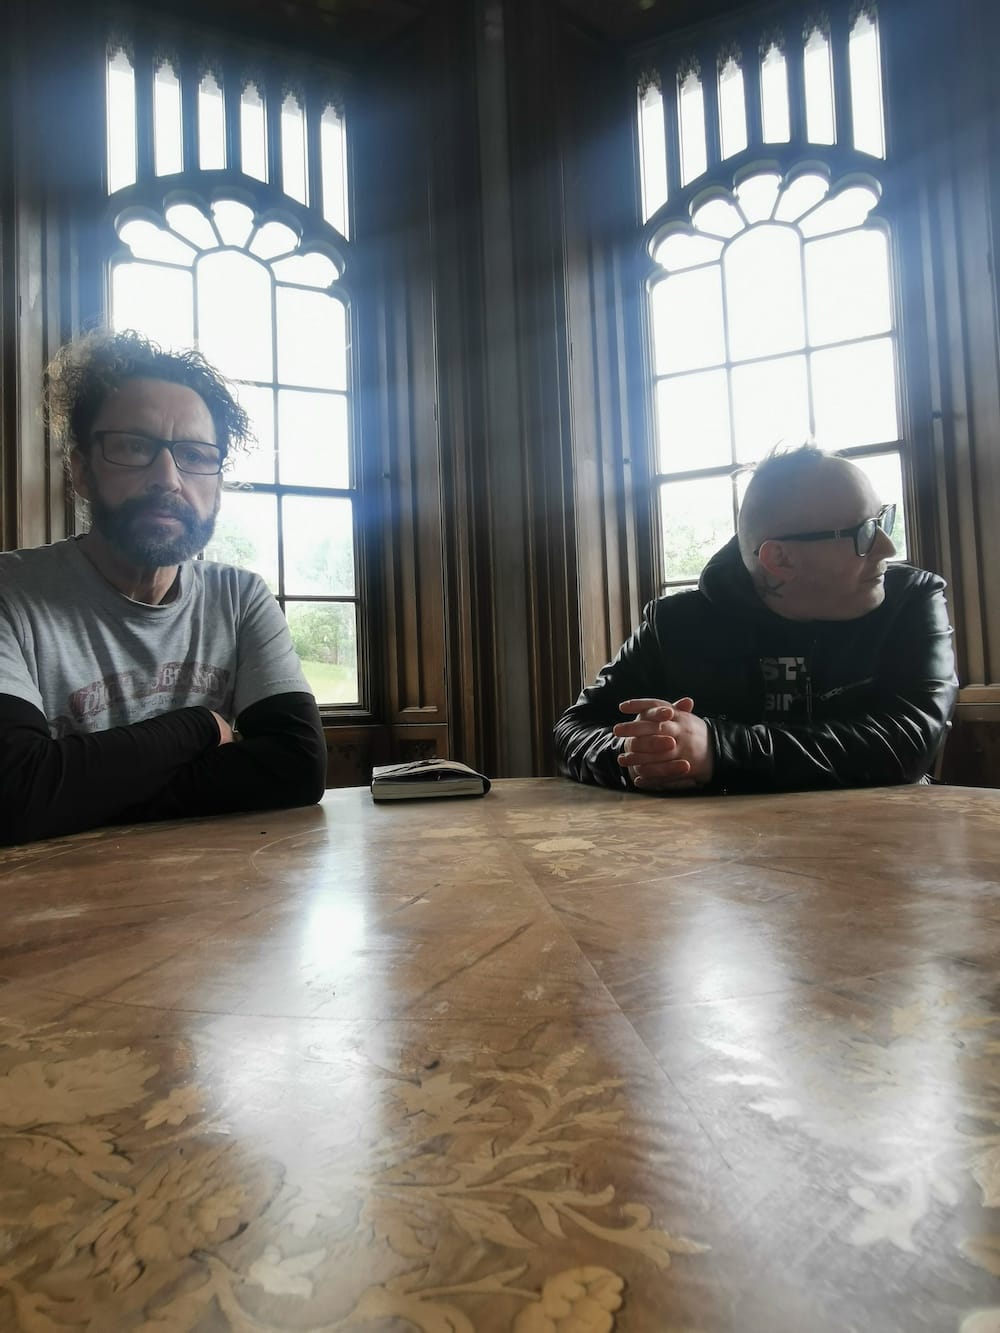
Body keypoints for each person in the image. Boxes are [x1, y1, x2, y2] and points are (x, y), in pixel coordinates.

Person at [0, 330, 327, 846]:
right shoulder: (10, 592)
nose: (169, 479)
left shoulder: (240, 600)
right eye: (134, 447)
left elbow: (297, 766)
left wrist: (75, 798)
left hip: (216, 901)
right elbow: (14, 794)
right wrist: (199, 726)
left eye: (196, 455)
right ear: (81, 470)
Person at [555, 445, 958, 794]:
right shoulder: (675, 624)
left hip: (886, 850)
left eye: (883, 520)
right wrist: (639, 755)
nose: (888, 546)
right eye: (865, 532)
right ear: (780, 558)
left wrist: (719, 750)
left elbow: (908, 742)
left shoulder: (912, 599)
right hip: (709, 866)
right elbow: (572, 730)